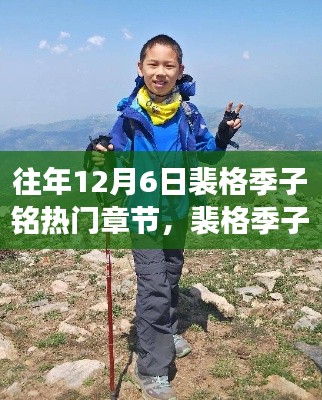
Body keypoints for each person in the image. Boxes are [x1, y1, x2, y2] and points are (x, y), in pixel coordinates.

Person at [91, 34, 243, 400]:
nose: (160, 72)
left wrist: (223, 135)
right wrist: (98, 155)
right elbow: (113, 163)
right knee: (154, 288)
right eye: (153, 64)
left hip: (177, 210)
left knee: (172, 273)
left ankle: (167, 329)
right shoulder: (129, 118)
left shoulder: (188, 114)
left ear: (180, 70)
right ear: (140, 68)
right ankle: (153, 369)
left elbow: (207, 156)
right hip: (143, 212)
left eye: (168, 65)